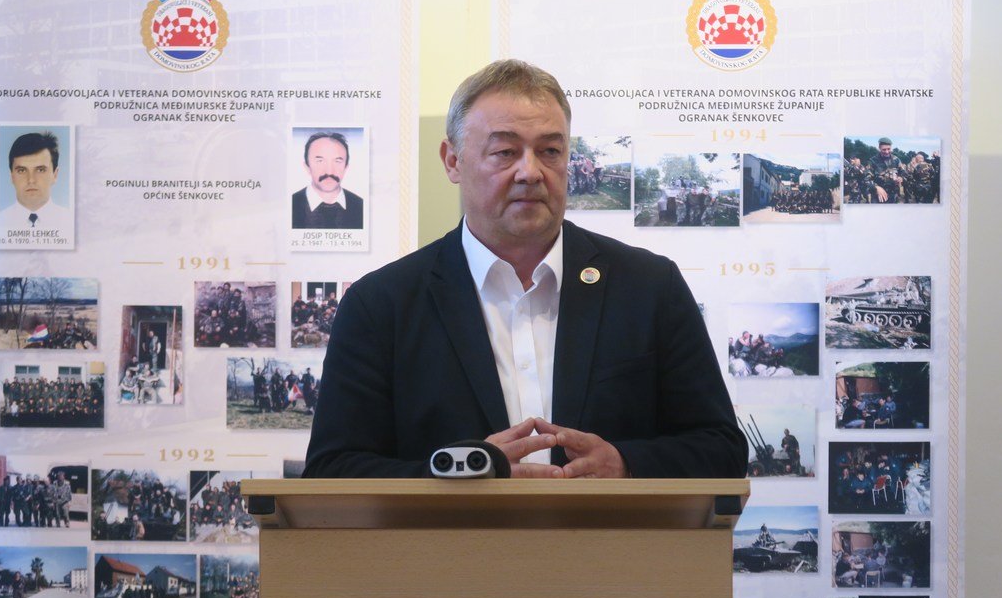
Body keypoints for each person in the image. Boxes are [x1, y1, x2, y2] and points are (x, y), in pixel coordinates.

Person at [303, 60, 746, 478]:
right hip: (453, 539)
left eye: (550, 150)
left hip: (608, 536)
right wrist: (463, 471)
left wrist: (625, 464)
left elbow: (721, 448)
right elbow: (333, 469)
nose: (530, 172)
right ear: (453, 161)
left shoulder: (649, 288)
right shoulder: (381, 305)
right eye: (505, 152)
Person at [0, 131, 74, 247]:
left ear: (55, 175)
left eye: (40, 170)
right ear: (12, 176)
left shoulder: (72, 223)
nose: (31, 180)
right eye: (22, 170)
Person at [291, 131, 365, 229]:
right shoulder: (290, 206)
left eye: (337, 161)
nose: (329, 171)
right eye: (320, 161)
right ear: (307, 167)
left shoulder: (362, 206)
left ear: (346, 167)